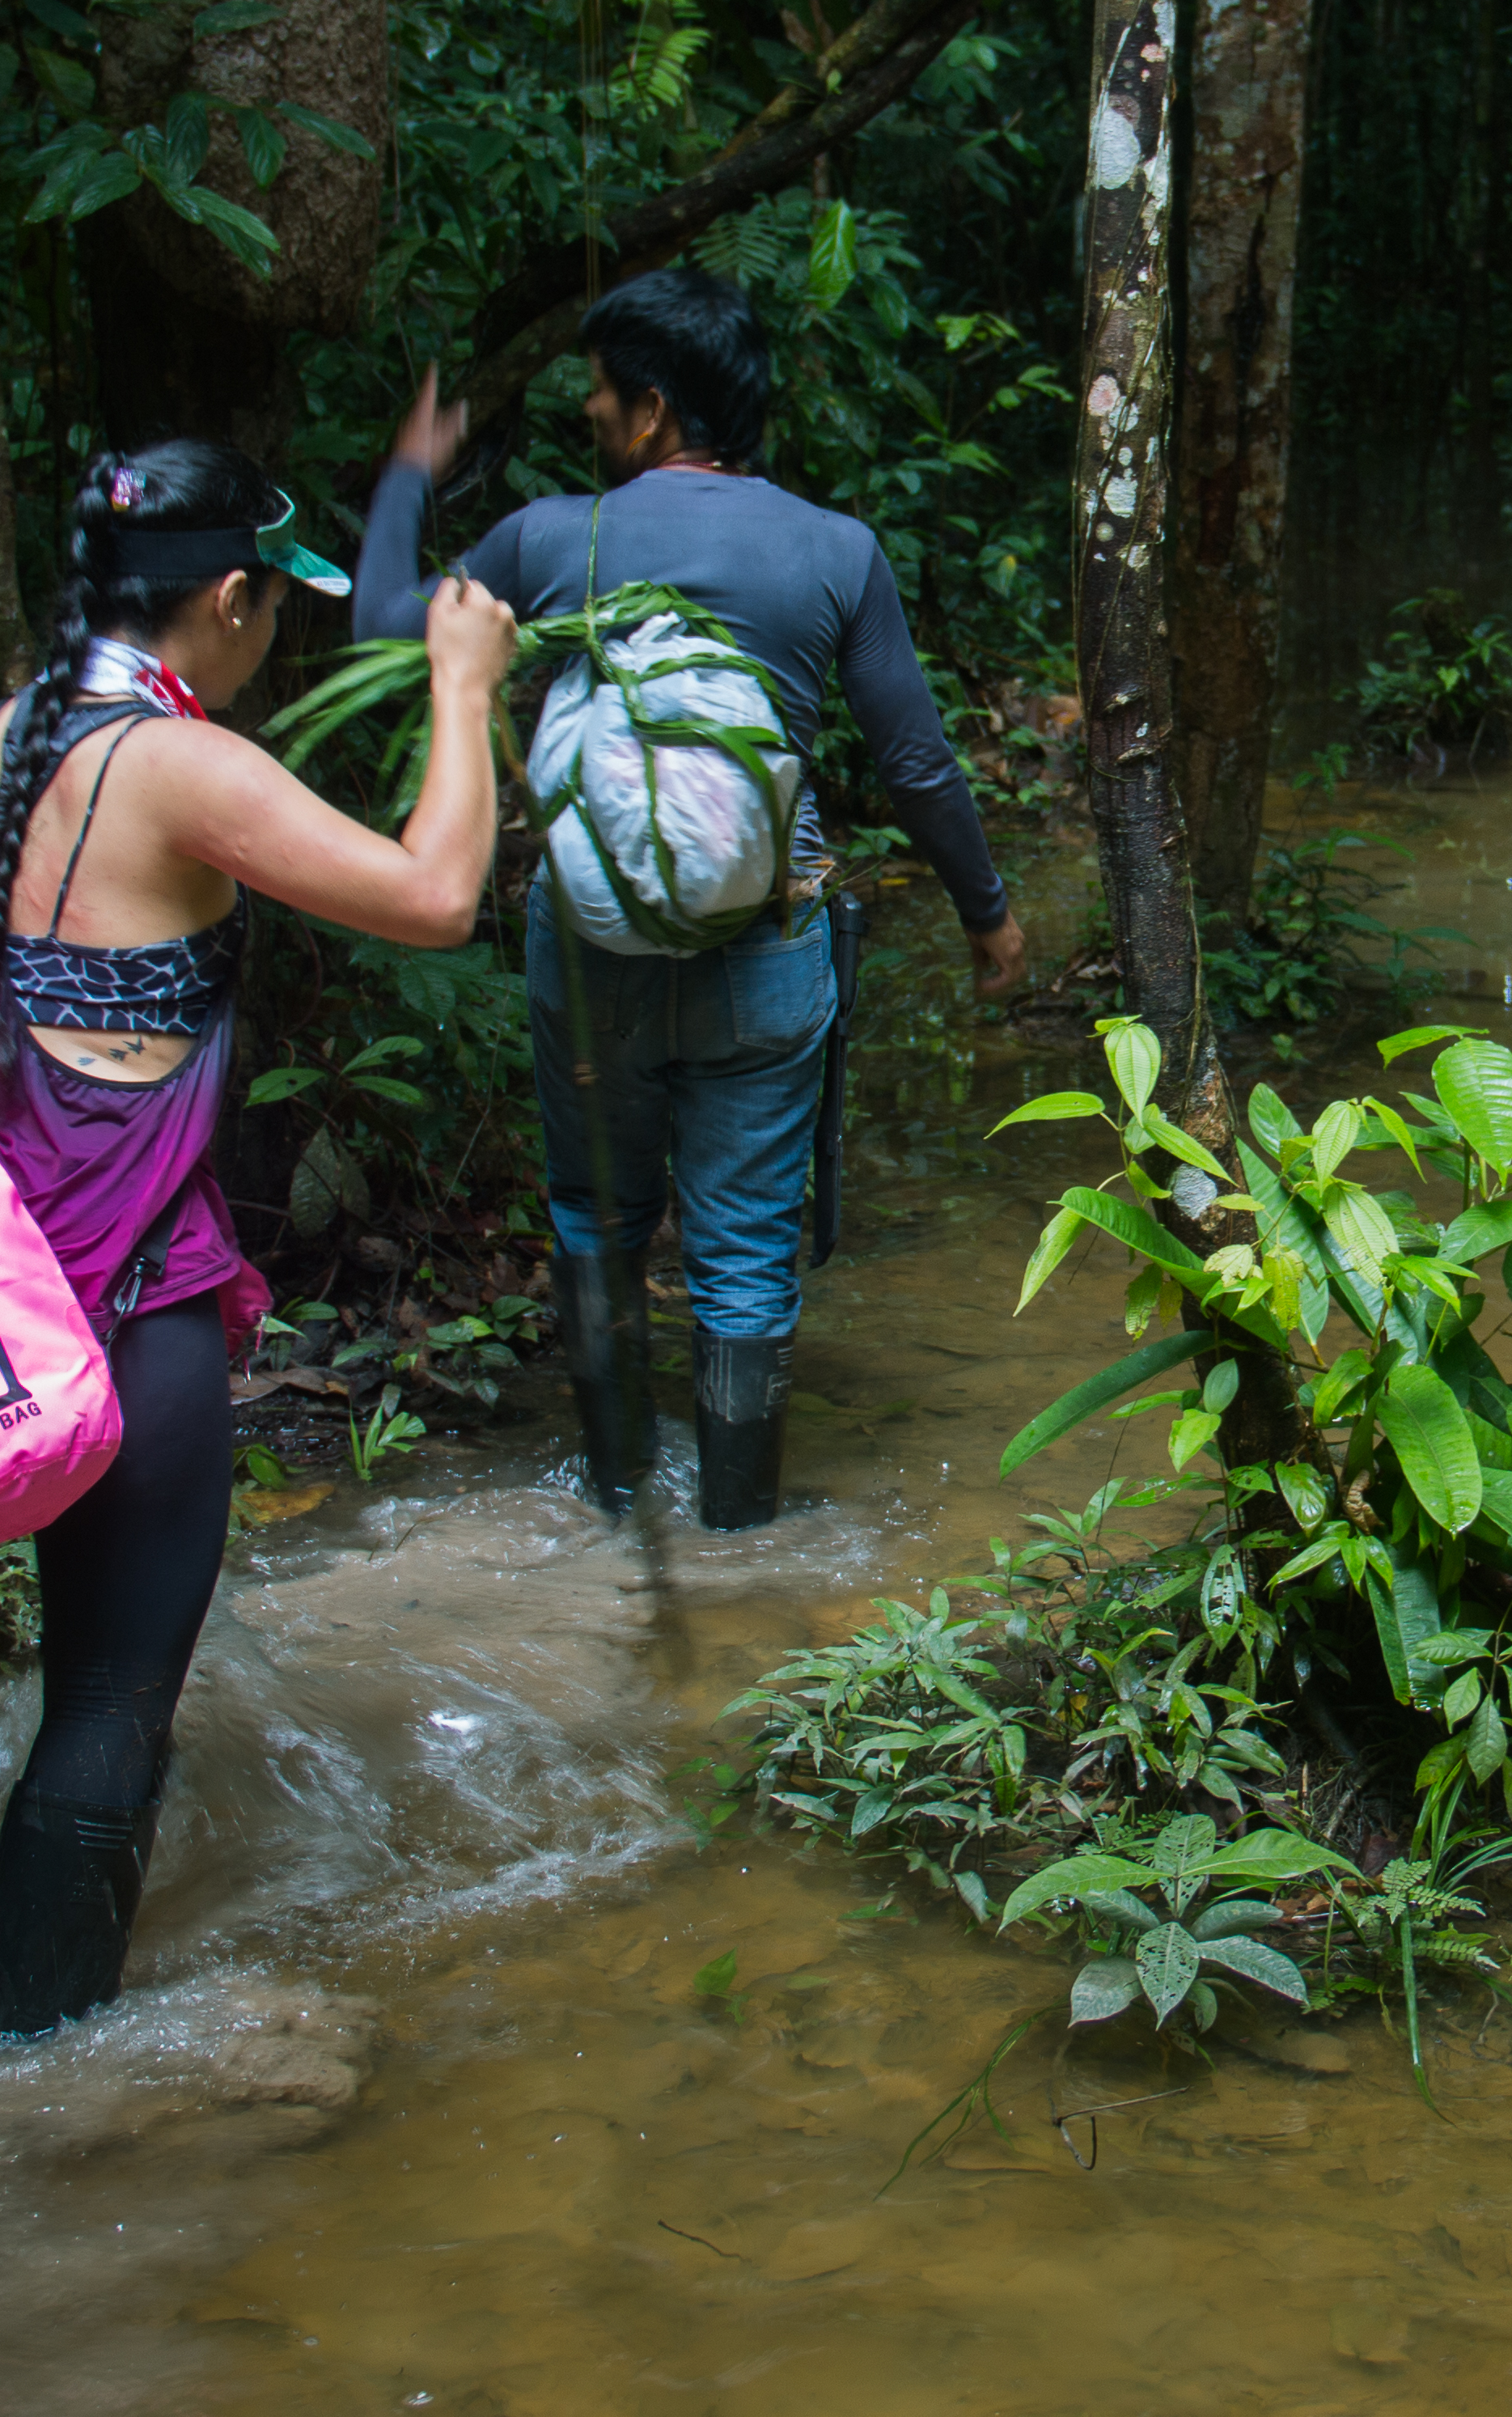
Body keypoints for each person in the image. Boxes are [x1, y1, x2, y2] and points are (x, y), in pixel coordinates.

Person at [0, 443, 519, 2042]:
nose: (270, 632)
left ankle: (27, 2035)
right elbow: (435, 896)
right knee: (114, 1718)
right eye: (270, 605)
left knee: (84, 1693)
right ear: (226, 596)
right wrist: (465, 689)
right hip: (131, 1307)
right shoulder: (183, 769)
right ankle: (31, 2075)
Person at [349, 265, 1027, 1532]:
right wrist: (985, 915)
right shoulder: (836, 551)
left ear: (655, 411)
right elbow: (916, 763)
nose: (593, 418)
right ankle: (740, 1545)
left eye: (604, 397)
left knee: (595, 1213)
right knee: (746, 1248)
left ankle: (613, 1501)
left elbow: (382, 629)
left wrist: (406, 478)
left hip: (589, 953)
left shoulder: (550, 540)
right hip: (769, 953)